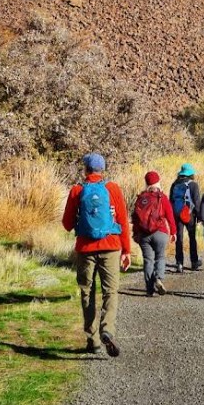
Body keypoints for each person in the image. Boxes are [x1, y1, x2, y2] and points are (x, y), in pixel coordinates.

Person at [62, 152, 131, 357]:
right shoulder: (112, 189)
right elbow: (122, 221)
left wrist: (79, 221)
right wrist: (126, 250)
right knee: (111, 291)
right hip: (111, 245)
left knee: (87, 292)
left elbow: (66, 224)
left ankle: (92, 340)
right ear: (103, 170)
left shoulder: (77, 190)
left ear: (85, 170)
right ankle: (107, 329)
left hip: (85, 248)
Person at [132, 170, 176, 296]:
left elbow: (135, 219)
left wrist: (135, 233)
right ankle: (158, 278)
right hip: (160, 232)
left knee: (148, 260)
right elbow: (170, 216)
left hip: (144, 235)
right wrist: (173, 231)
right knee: (160, 256)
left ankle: (149, 290)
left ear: (146, 183)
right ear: (158, 182)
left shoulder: (140, 198)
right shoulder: (162, 198)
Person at [169, 163, 202, 273]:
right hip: (189, 215)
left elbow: (170, 201)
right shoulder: (193, 185)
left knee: (179, 239)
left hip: (177, 214)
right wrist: (200, 217)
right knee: (192, 238)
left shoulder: (174, 184)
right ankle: (194, 262)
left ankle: (179, 263)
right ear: (191, 174)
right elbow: (197, 202)